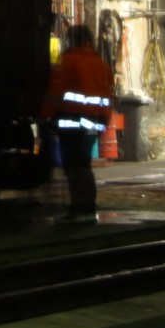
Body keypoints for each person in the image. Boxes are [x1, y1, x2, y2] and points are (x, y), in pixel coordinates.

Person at [43, 24, 115, 224]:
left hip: (71, 121)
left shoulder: (67, 61)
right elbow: (108, 95)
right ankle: (88, 206)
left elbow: (55, 94)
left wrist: (45, 118)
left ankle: (77, 208)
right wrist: (103, 122)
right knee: (84, 164)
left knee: (74, 166)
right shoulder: (100, 63)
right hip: (96, 122)